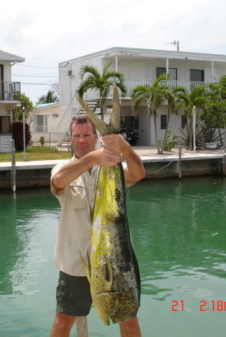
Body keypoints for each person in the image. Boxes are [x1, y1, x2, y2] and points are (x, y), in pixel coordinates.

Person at [49, 115, 146, 337]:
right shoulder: (63, 167)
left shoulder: (113, 167)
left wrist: (124, 149)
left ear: (96, 137)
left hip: (117, 261)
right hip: (76, 261)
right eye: (76, 136)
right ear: (71, 139)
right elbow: (58, 182)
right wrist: (93, 158)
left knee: (128, 320)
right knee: (63, 321)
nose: (81, 140)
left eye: (86, 135)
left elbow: (138, 173)